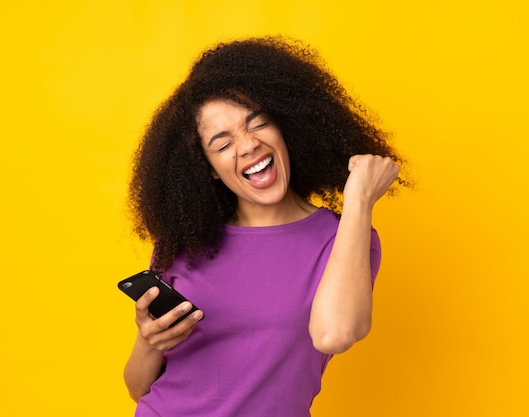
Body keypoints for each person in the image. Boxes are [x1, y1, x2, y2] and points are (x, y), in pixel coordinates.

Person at [123, 36, 405, 417]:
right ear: (208, 169)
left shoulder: (344, 240)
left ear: (286, 128)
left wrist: (358, 200)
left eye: (258, 124)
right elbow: (138, 388)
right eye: (222, 145)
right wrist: (148, 340)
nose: (247, 145)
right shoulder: (185, 241)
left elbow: (334, 334)